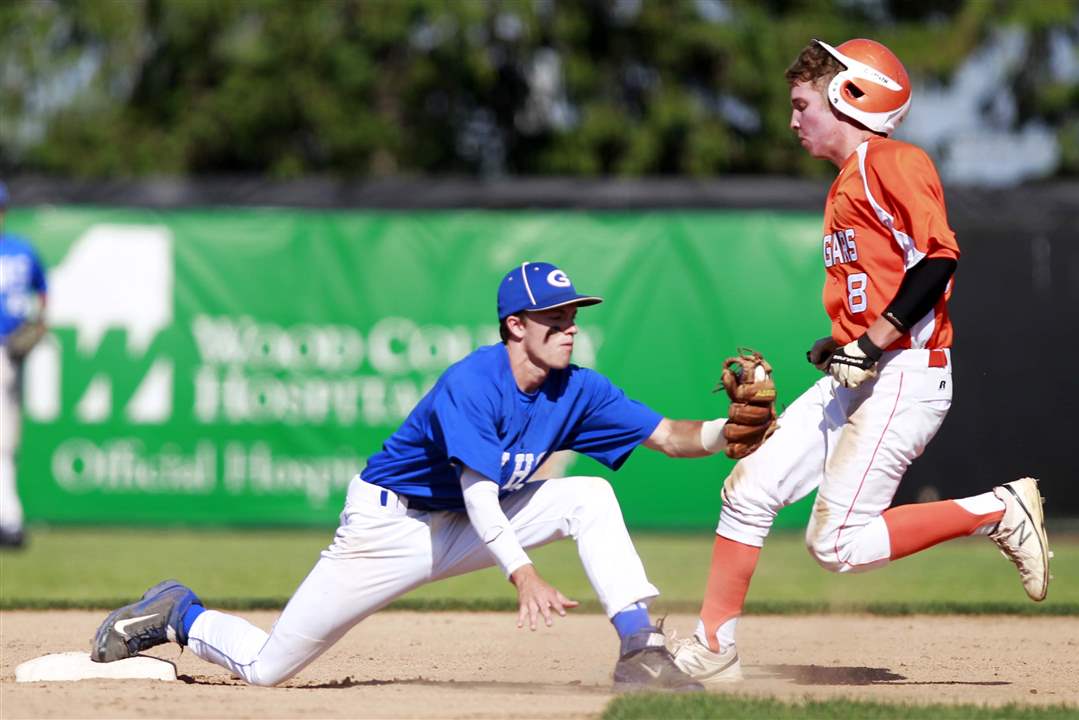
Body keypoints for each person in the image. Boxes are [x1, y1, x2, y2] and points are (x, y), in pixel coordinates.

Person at [90, 261, 754, 691]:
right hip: (388, 526)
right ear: (514, 326)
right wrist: (521, 572)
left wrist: (738, 426)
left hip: (468, 527)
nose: (569, 327)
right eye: (554, 318)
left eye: (573, 316)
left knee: (589, 494)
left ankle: (638, 643)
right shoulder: (472, 381)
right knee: (269, 670)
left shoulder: (576, 389)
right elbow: (476, 489)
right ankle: (181, 612)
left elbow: (671, 437)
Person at [671, 38, 1052, 685]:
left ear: (851, 96)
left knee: (835, 545)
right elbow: (882, 282)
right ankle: (712, 647)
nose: (791, 120)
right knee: (746, 489)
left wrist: (870, 340)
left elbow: (938, 259)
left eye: (801, 104)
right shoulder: (848, 181)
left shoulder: (891, 160)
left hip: (905, 375)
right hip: (867, 374)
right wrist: (842, 341)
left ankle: (996, 510)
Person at [0, 181, 48, 549]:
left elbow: (43, 296)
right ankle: (10, 521)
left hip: (8, 352)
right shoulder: (22, 251)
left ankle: (10, 522)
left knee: (4, 443)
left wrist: (38, 328)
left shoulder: (22, 250)